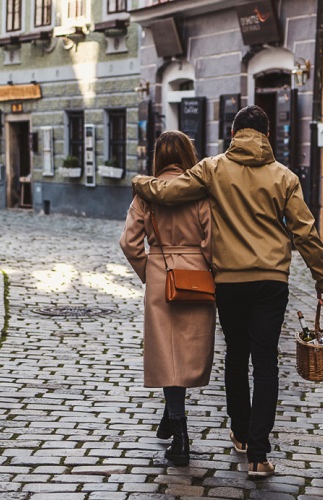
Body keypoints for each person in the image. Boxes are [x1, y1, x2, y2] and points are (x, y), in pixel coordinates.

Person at [132, 105, 323, 477]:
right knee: (267, 362)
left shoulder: (213, 168)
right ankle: (258, 454)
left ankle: (240, 433)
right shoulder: (284, 177)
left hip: (230, 282)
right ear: (267, 135)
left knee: (237, 357)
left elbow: (171, 190)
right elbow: (305, 231)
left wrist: (141, 183)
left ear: (234, 133)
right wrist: (321, 277)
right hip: (272, 282)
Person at [119, 131, 215, 467]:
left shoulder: (146, 193)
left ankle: (178, 431)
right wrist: (206, 267)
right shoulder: (201, 193)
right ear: (189, 154)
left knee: (167, 354)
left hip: (161, 274)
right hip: (197, 277)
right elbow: (211, 241)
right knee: (186, 354)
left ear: (158, 158)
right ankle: (176, 424)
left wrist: (152, 270)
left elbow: (130, 243)